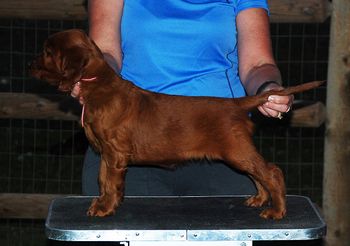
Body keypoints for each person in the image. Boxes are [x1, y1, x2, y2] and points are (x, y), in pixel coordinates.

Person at [72, 0, 293, 196]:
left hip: (215, 136)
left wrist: (268, 87)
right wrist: (92, 79)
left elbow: (257, 64)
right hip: (132, 139)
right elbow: (105, 53)